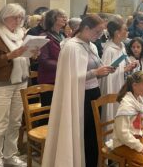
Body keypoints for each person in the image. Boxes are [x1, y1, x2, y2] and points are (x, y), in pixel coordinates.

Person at [42, 14, 116, 167]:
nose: (99, 36)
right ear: (86, 28)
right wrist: (95, 73)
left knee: (93, 133)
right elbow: (70, 78)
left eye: (101, 33)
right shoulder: (71, 47)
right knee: (82, 132)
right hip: (78, 96)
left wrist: (104, 71)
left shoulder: (91, 45)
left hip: (93, 93)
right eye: (97, 32)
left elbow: (94, 69)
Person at [0, 3, 38, 167]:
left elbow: (23, 59)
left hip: (21, 81)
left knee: (15, 122)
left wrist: (33, 55)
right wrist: (10, 55)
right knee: (0, 123)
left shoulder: (21, 35)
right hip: (1, 84)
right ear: (4, 16)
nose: (19, 20)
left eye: (21, 17)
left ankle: (9, 155)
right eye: (15, 17)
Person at [100, 17, 138, 123]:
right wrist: (125, 69)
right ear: (117, 33)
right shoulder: (110, 50)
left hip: (122, 83)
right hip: (114, 86)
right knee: (114, 112)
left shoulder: (121, 46)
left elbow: (124, 64)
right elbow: (107, 74)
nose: (128, 32)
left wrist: (131, 65)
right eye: (125, 29)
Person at [38, 9, 67, 107]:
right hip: (49, 79)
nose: (65, 18)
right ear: (53, 19)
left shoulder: (63, 35)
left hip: (62, 77)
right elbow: (44, 61)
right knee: (49, 111)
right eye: (61, 16)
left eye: (65, 16)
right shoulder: (44, 36)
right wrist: (64, 65)